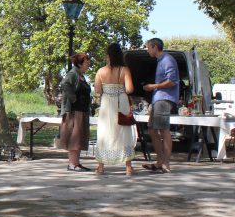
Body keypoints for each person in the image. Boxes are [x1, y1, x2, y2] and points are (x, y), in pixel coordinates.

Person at [93, 43, 136, 176]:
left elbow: (97, 90)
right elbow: (129, 89)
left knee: (104, 132)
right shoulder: (125, 70)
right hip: (121, 102)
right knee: (124, 131)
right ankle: (128, 167)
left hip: (107, 103)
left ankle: (100, 166)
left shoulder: (100, 71)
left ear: (108, 56)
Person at [142, 38, 179, 173]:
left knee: (163, 130)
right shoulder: (161, 61)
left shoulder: (167, 59)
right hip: (158, 99)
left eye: (148, 48)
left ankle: (166, 164)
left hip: (164, 99)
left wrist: (154, 86)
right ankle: (159, 161)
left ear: (155, 47)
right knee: (152, 129)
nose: (147, 50)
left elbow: (173, 81)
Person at [57, 53, 92, 172]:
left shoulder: (81, 75)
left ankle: (77, 163)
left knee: (80, 137)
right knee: (74, 137)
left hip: (81, 111)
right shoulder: (73, 74)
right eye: (87, 61)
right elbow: (64, 84)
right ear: (80, 63)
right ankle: (72, 164)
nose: (88, 63)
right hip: (74, 112)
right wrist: (74, 98)